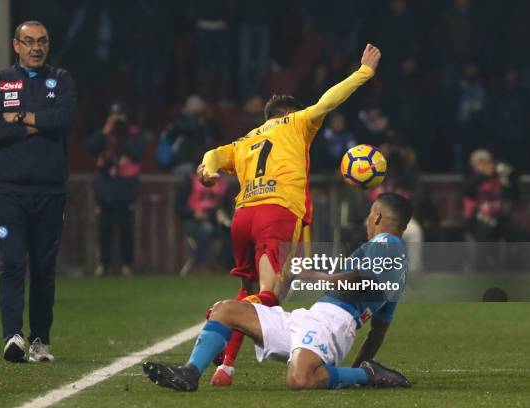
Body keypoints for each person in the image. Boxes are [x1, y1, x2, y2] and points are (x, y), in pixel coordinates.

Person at [197, 44, 381, 386]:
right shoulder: (296, 122)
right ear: (288, 112)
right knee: (270, 293)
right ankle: (219, 316)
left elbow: (211, 154)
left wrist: (207, 170)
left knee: (248, 288)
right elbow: (327, 102)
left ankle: (226, 367)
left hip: (243, 216)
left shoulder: (246, 139)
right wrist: (364, 73)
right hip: (276, 210)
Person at [143, 192, 412, 392]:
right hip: (312, 319)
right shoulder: (398, 272)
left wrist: (309, 275)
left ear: (376, 216)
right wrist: (356, 369)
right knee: (225, 310)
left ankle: (367, 374)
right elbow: (378, 331)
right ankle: (190, 373)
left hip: (332, 325)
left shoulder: (385, 242)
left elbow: (361, 279)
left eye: (370, 214)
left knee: (300, 380)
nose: (368, 219)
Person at [0, 21, 76, 363]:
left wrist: (17, 117)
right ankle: (13, 337)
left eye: (42, 42)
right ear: (15, 45)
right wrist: (37, 123)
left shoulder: (61, 79)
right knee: (11, 263)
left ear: (48, 46)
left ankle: (40, 340)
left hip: (49, 192)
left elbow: (63, 119)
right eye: (29, 41)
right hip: (7, 191)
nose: (36, 47)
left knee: (44, 268)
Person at [85, 103, 145, 277]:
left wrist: (124, 138)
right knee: (105, 227)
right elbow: (90, 147)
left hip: (126, 187)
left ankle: (127, 264)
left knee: (127, 228)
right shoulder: (104, 133)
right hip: (106, 187)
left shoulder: (133, 134)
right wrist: (106, 130)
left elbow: (138, 153)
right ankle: (104, 263)